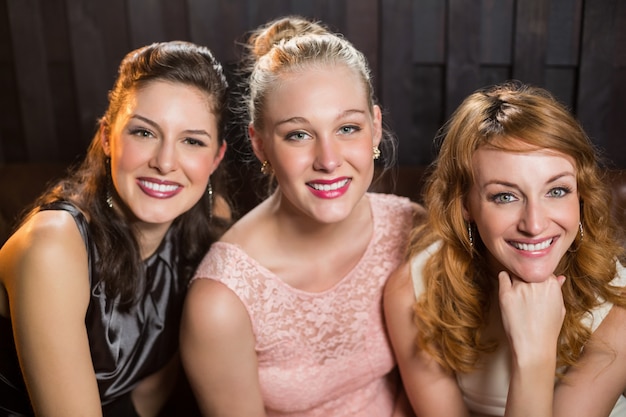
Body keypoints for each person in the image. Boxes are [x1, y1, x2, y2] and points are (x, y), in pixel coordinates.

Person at [180, 15, 421, 417]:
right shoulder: (222, 300)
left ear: (375, 128)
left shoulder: (412, 228)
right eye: (298, 134)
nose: (328, 160)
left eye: (347, 128)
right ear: (259, 145)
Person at [0, 40, 231, 416]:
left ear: (216, 157)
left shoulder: (207, 220)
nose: (165, 162)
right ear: (108, 137)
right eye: (144, 132)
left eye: (192, 141)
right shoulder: (53, 245)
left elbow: (145, 398)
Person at [384, 81, 626, 417]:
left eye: (556, 191)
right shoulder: (413, 293)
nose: (535, 223)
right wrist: (533, 354)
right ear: (465, 204)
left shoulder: (618, 303)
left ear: (581, 195)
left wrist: (535, 355)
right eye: (505, 196)